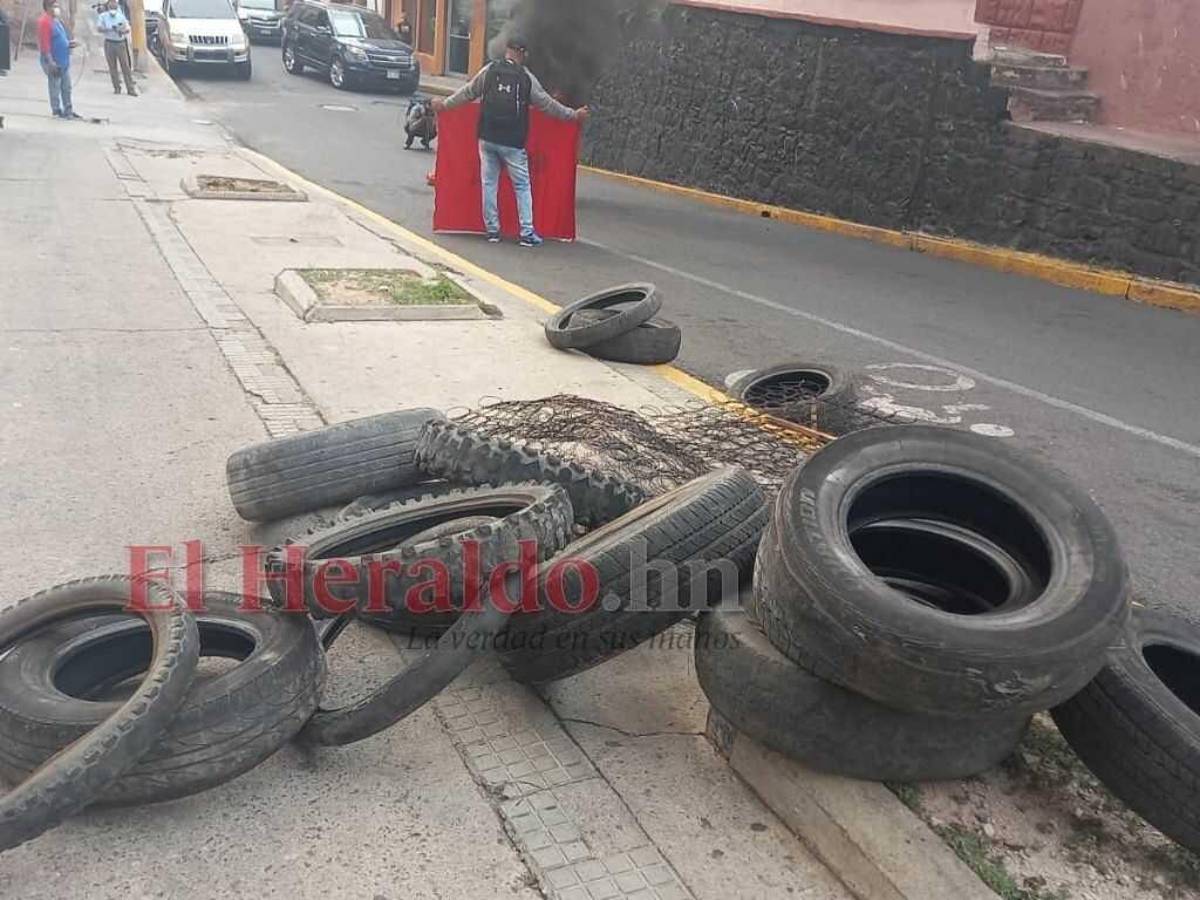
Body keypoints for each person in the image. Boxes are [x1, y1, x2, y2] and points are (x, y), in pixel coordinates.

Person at [433, 36, 588, 248]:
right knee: (522, 185)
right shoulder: (525, 77)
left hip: (487, 137)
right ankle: (526, 232)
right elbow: (547, 104)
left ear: (506, 50)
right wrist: (573, 115)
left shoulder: (489, 71)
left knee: (489, 184)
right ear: (522, 54)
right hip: (513, 141)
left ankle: (492, 231)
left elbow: (468, 92)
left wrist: (444, 105)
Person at [37, 0, 78, 119]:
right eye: (55, 6)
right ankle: (56, 110)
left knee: (66, 86)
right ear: (48, 7)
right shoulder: (44, 22)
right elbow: (45, 44)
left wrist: (69, 44)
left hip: (63, 60)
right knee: (55, 85)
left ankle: (68, 109)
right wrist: (50, 62)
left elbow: (60, 38)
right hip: (54, 60)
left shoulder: (56, 21)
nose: (57, 8)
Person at [98, 0, 137, 96]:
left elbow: (127, 29)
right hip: (109, 42)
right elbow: (99, 28)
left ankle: (130, 89)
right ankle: (116, 87)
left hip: (120, 43)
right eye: (111, 3)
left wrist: (121, 30)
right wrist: (109, 29)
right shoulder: (103, 16)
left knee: (125, 66)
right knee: (112, 66)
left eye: (114, 3)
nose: (112, 4)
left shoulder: (121, 16)